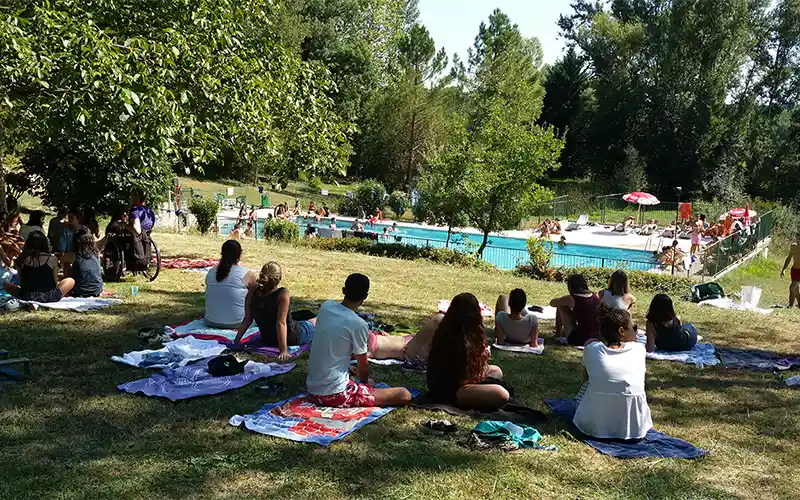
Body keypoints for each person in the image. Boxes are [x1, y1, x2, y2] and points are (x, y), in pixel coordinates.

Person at [306, 274, 412, 408]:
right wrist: (365, 384)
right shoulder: (358, 324)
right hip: (334, 394)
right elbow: (363, 364)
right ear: (365, 297)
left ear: (343, 290)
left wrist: (346, 367)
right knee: (404, 394)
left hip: (311, 389)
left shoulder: (326, 306)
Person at [573, 309, 653, 440]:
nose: (636, 331)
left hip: (593, 428)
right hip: (635, 429)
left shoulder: (592, 349)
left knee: (588, 382)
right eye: (634, 327)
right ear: (621, 331)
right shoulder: (639, 349)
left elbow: (586, 378)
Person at [426, 293, 509, 408]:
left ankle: (478, 393)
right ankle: (470, 397)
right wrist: (482, 358)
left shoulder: (463, 332)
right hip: (451, 390)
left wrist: (481, 357)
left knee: (496, 371)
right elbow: (462, 378)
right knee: (502, 394)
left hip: (462, 381)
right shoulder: (456, 340)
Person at [235, 262, 316, 360]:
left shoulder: (252, 294)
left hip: (267, 339)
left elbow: (247, 319)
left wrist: (236, 341)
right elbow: (280, 323)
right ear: (279, 278)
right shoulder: (282, 294)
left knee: (301, 315)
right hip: (292, 337)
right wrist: (283, 351)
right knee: (318, 320)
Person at [3, 231, 74, 305]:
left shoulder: (22, 259)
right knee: (70, 280)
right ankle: (36, 303)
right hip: (48, 297)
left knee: (6, 284)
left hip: (27, 296)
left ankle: (33, 303)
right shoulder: (52, 259)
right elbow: (54, 282)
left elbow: (22, 283)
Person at [204, 240, 258, 328]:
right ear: (239, 255)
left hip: (210, 321)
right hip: (239, 322)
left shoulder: (211, 272)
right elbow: (257, 296)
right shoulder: (246, 273)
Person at [366, 313, 444, 368]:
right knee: (439, 319)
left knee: (440, 320)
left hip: (409, 346)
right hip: (409, 350)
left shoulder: (361, 336)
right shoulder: (363, 345)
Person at [550, 274, 601, 346]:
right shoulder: (595, 297)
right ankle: (560, 335)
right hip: (597, 337)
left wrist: (561, 300)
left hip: (581, 339)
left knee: (560, 304)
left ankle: (557, 335)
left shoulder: (572, 298)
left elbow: (552, 303)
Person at [65, 226, 103, 298]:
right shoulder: (96, 253)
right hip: (97, 289)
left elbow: (62, 261)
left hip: (79, 290)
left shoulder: (73, 255)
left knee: (66, 264)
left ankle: (68, 290)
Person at [781, 238, 800, 308]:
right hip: (794, 270)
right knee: (796, 289)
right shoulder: (793, 247)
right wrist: (783, 269)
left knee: (792, 287)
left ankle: (790, 305)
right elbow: (789, 258)